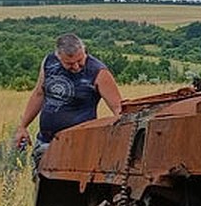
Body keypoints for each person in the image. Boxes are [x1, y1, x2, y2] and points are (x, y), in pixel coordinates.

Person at [13, 33, 124, 166]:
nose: (76, 66)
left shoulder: (98, 72)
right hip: (46, 143)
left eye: (80, 60)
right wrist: (23, 127)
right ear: (59, 57)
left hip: (79, 147)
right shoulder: (49, 63)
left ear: (84, 50)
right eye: (69, 64)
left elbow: (118, 108)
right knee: (44, 185)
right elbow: (39, 94)